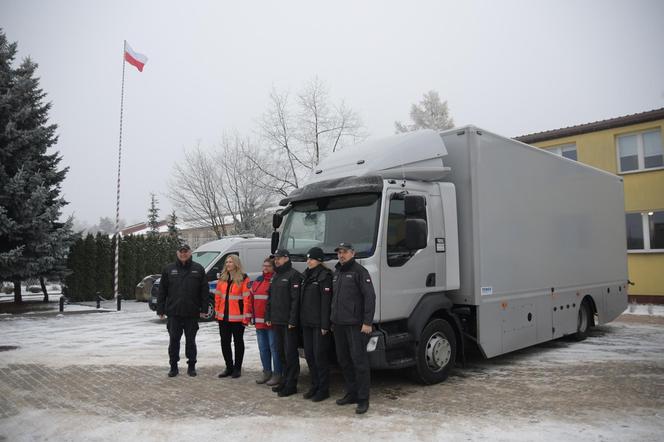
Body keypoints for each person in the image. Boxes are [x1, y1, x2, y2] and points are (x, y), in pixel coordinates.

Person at [331, 242, 376, 414]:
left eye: (344, 252)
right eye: (339, 252)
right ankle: (352, 393)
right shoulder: (338, 273)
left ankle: (363, 399)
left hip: (355, 325)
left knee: (359, 362)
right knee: (344, 360)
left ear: (353, 253)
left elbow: (370, 297)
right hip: (339, 324)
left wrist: (367, 322)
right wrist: (332, 320)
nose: (341, 255)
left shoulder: (360, 272)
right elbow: (334, 300)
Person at [157, 243, 208, 378]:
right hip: (174, 313)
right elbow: (162, 291)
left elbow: (204, 291)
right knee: (174, 340)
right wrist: (160, 309)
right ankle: (173, 367)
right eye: (181, 251)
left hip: (191, 313)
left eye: (186, 251)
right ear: (177, 253)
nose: (183, 254)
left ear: (190, 253)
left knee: (191, 341)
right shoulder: (169, 269)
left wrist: (204, 309)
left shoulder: (198, 269)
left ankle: (192, 366)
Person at [265, 249, 302, 397]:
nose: (277, 261)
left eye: (279, 258)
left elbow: (296, 300)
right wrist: (268, 316)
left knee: (290, 354)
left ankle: (292, 384)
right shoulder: (276, 276)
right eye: (275, 258)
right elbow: (270, 299)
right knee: (281, 353)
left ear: (286, 258)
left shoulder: (293, 275)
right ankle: (285, 381)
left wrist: (293, 320)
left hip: (288, 323)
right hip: (277, 321)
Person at [299, 247, 333, 402]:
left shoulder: (324, 276)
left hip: (319, 324)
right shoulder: (306, 275)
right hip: (307, 323)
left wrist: (325, 325)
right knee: (310, 356)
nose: (308, 261)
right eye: (307, 259)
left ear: (319, 260)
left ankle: (323, 388)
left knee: (320, 357)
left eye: (311, 259)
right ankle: (315, 385)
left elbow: (326, 303)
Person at [214, 254, 252, 379]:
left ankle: (237, 368)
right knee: (225, 343)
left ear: (236, 263)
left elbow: (247, 300)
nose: (228, 264)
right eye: (226, 262)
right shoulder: (222, 279)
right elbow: (218, 297)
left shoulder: (244, 279)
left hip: (237, 318)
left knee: (238, 343)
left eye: (230, 262)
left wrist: (246, 317)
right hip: (223, 318)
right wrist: (217, 312)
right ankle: (228, 367)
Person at [250, 256, 283, 386]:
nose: (265, 268)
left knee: (274, 348)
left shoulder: (275, 280)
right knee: (263, 349)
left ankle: (277, 373)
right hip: (259, 322)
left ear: (273, 267)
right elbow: (252, 300)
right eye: (264, 266)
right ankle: (267, 371)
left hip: (271, 322)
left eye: (268, 266)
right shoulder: (258, 281)